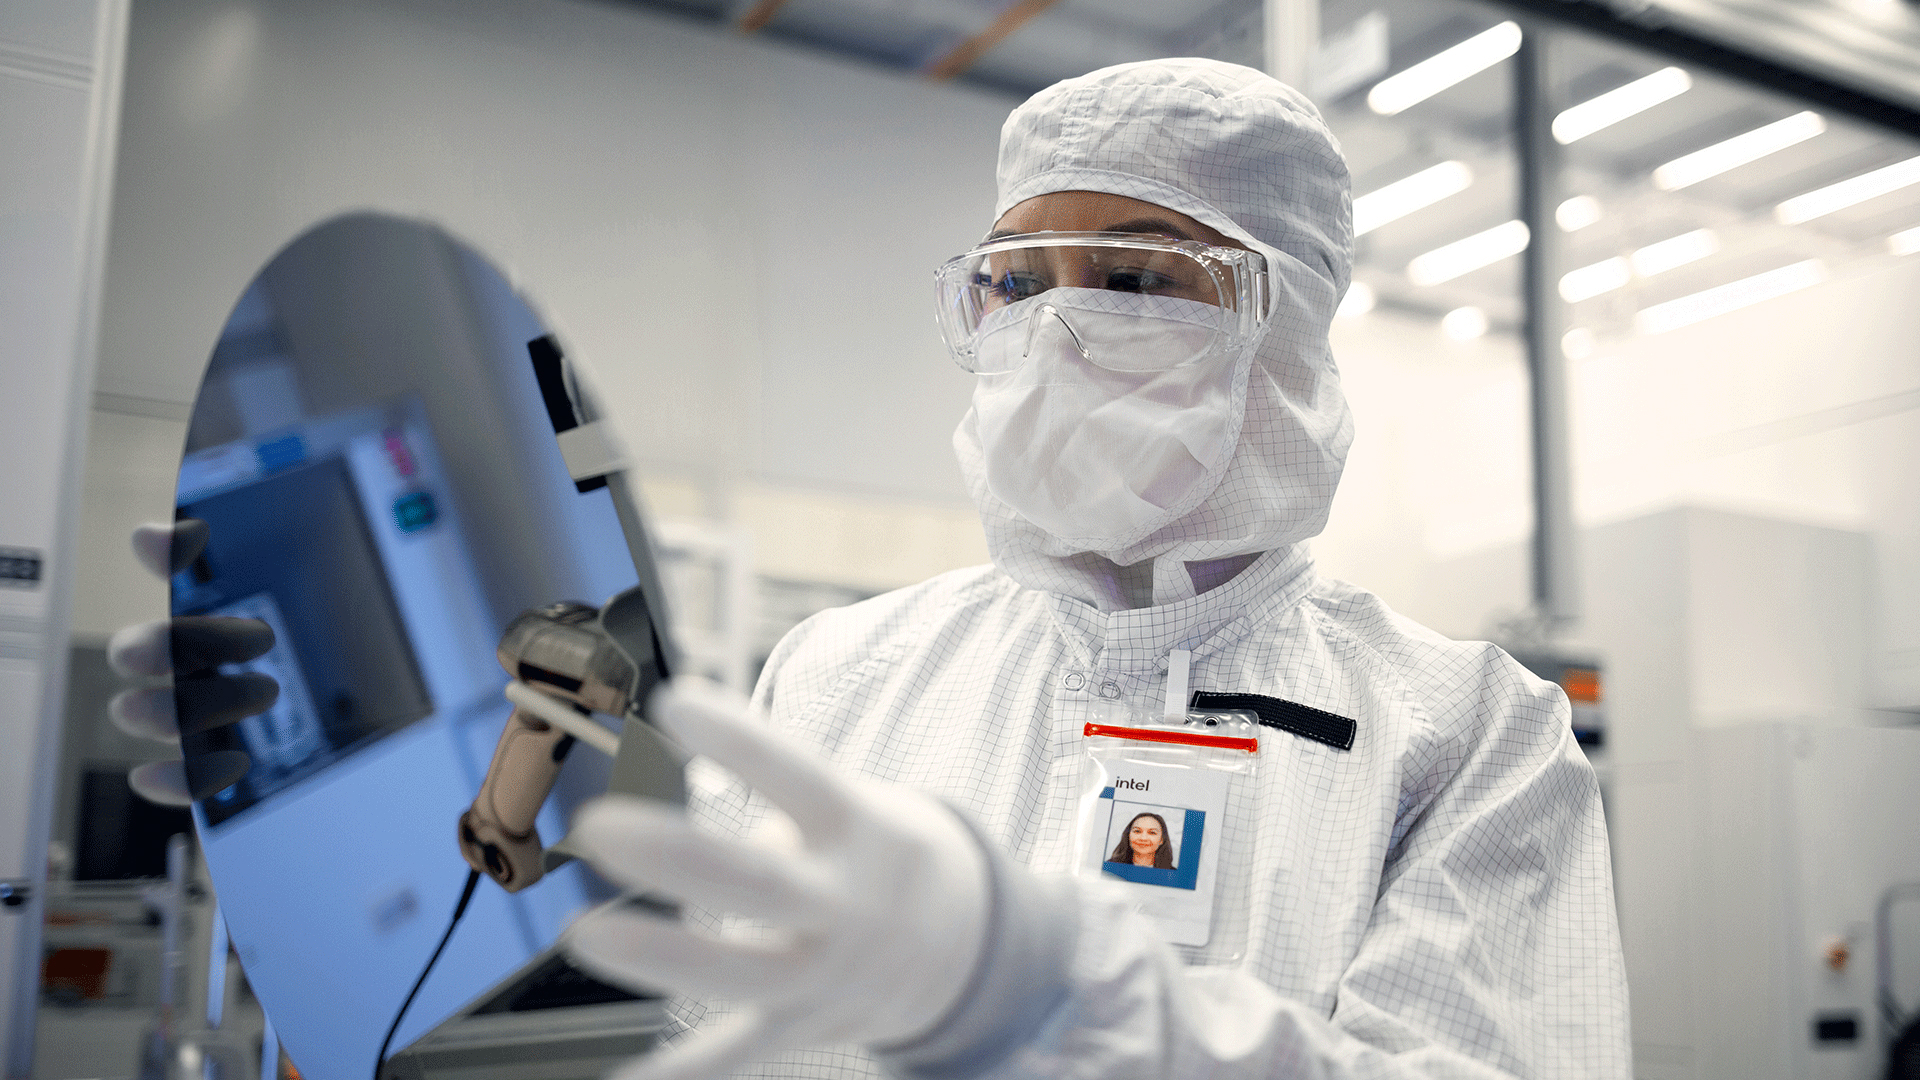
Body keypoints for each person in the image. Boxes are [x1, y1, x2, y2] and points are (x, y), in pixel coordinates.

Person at [115, 56, 1631, 1080]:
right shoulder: (845, 673)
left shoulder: (1468, 736)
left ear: (1286, 330)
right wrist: (336, 825)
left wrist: (1051, 998)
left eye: (1138, 277)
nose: (1057, 326)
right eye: (1015, 279)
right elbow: (674, 1000)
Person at [1107, 812, 1172, 869]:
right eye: (1137, 831)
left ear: (1161, 840)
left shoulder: (1172, 873)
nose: (1143, 838)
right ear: (1128, 836)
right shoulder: (1110, 867)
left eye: (1152, 832)